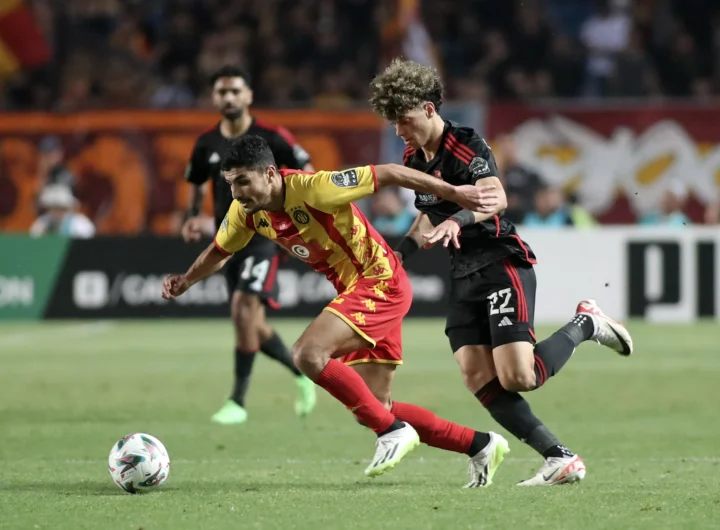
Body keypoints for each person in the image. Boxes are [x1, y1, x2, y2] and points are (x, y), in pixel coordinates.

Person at [162, 135, 511, 486]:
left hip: (380, 281)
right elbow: (219, 251)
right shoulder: (246, 212)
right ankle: (480, 445)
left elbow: (389, 172)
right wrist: (187, 279)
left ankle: (391, 431)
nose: (235, 193)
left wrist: (454, 193)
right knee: (374, 407)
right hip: (358, 291)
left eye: (242, 181)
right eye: (230, 184)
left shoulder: (315, 188)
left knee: (308, 354)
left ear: (269, 174)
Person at [369, 58, 634, 486]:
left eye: (404, 119)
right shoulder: (413, 157)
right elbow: (427, 214)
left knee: (519, 377)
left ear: (429, 109)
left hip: (500, 262)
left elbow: (495, 197)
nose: (399, 130)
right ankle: (559, 458)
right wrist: (399, 256)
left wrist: (458, 220)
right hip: (463, 273)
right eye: (393, 122)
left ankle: (586, 323)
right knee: (476, 375)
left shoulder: (466, 144)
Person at [182, 65, 317, 425]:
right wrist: (192, 216)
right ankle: (302, 374)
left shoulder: (272, 137)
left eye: (235, 91)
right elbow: (197, 182)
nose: (228, 97)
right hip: (229, 238)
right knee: (253, 326)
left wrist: (298, 218)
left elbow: (307, 171)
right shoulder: (206, 143)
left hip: (267, 237)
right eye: (221, 92)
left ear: (248, 95)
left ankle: (237, 401)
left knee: (243, 308)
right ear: (214, 97)